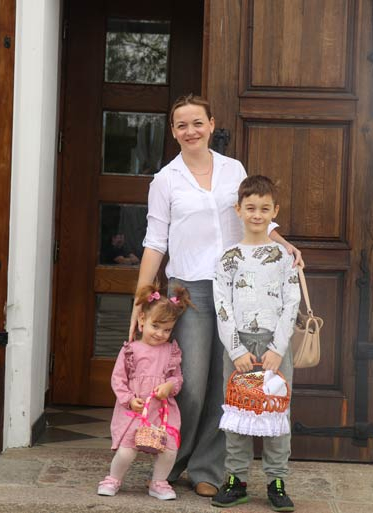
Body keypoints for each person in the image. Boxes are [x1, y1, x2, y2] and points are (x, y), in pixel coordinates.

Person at [129, 94, 303, 497]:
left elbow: (252, 214)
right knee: (190, 382)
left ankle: (207, 469)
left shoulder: (232, 169)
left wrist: (284, 244)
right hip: (189, 290)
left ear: (210, 125)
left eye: (197, 123)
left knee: (225, 383)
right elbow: (155, 241)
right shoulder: (166, 180)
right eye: (182, 125)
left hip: (239, 288)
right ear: (173, 132)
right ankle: (173, 459)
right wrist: (141, 298)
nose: (191, 131)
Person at [211, 175, 300, 512]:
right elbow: (222, 306)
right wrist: (236, 350)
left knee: (277, 412)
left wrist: (277, 349)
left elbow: (291, 303)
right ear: (238, 210)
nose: (257, 214)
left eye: (264, 208)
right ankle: (236, 480)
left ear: (274, 211)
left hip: (274, 346)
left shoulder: (283, 257)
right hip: (240, 348)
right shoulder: (228, 258)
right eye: (250, 208)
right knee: (238, 412)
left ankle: (277, 481)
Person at [98, 284, 192, 500]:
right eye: (155, 326)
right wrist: (129, 400)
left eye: (167, 330)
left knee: (169, 450)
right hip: (135, 411)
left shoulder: (171, 351)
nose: (160, 334)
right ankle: (113, 478)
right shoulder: (130, 350)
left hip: (162, 411)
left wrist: (169, 386)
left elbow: (177, 378)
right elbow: (118, 379)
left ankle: (158, 482)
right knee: (127, 450)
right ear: (142, 320)